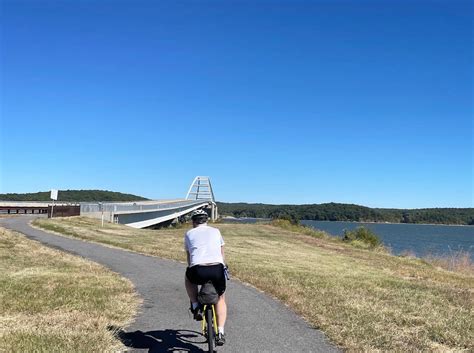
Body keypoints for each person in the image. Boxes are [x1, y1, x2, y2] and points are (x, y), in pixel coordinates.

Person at [184, 209, 227, 346]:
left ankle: (196, 305)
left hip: (198, 268)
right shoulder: (216, 231)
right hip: (217, 268)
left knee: (188, 278)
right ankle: (220, 332)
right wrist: (223, 266)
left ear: (193, 221)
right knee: (220, 298)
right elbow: (222, 253)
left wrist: (192, 268)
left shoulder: (189, 233)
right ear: (206, 220)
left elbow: (190, 257)